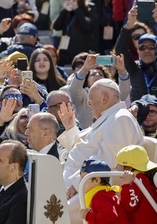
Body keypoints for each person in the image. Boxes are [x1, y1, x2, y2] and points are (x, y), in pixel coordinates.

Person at [63, 79, 143, 219]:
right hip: (82, 183)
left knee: (53, 213)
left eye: (91, 98)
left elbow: (107, 162)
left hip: (94, 188)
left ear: (104, 98)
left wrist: (76, 184)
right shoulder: (111, 117)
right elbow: (86, 147)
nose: (88, 103)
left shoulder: (121, 118)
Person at [115, 4, 157, 101]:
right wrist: (130, 23)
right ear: (138, 51)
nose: (147, 50)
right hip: (138, 114)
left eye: (151, 47)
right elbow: (120, 50)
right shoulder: (134, 68)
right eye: (142, 47)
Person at [52, 0, 95, 66]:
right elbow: (56, 27)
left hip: (80, 49)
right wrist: (64, 11)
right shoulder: (67, 11)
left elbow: (87, 27)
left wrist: (77, 9)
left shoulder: (88, 9)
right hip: (65, 50)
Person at [78, 159, 128, 224]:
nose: (80, 182)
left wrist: (88, 216)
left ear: (97, 180)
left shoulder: (99, 197)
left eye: (83, 178)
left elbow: (109, 216)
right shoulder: (105, 194)